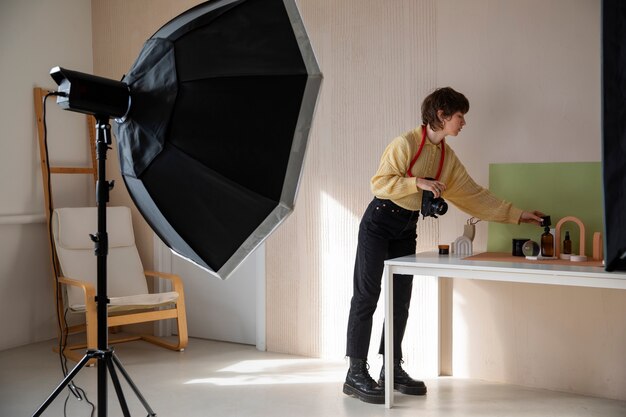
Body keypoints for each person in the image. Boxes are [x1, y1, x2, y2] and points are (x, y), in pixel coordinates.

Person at [343, 87, 543, 404]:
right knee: (367, 294)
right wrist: (417, 183)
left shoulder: (447, 158)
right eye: (460, 116)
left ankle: (391, 368)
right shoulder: (405, 144)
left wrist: (518, 215)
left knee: (400, 299)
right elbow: (379, 183)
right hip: (378, 222)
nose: (463, 123)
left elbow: (475, 196)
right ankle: (355, 372)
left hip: (407, 227)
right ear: (442, 114)